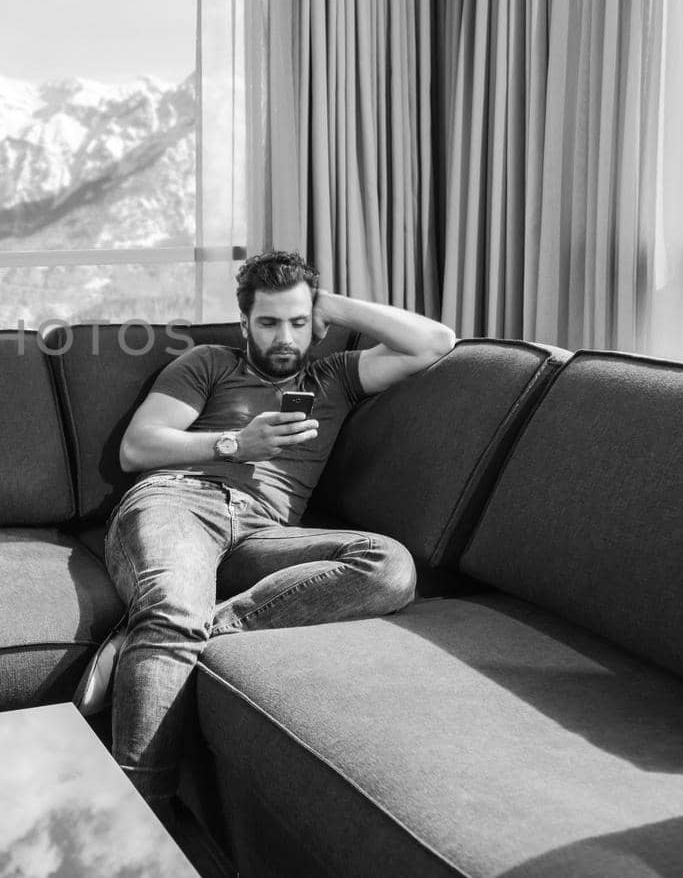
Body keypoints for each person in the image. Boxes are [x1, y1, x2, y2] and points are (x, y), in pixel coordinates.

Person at [77, 249, 456, 810]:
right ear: (244, 324)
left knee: (389, 565)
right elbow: (139, 447)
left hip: (262, 534)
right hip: (180, 504)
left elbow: (436, 342)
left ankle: (162, 632)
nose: (285, 337)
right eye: (270, 321)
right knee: (175, 612)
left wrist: (328, 303)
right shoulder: (209, 362)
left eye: (298, 322)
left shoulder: (336, 377)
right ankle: (140, 817)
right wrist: (235, 443)